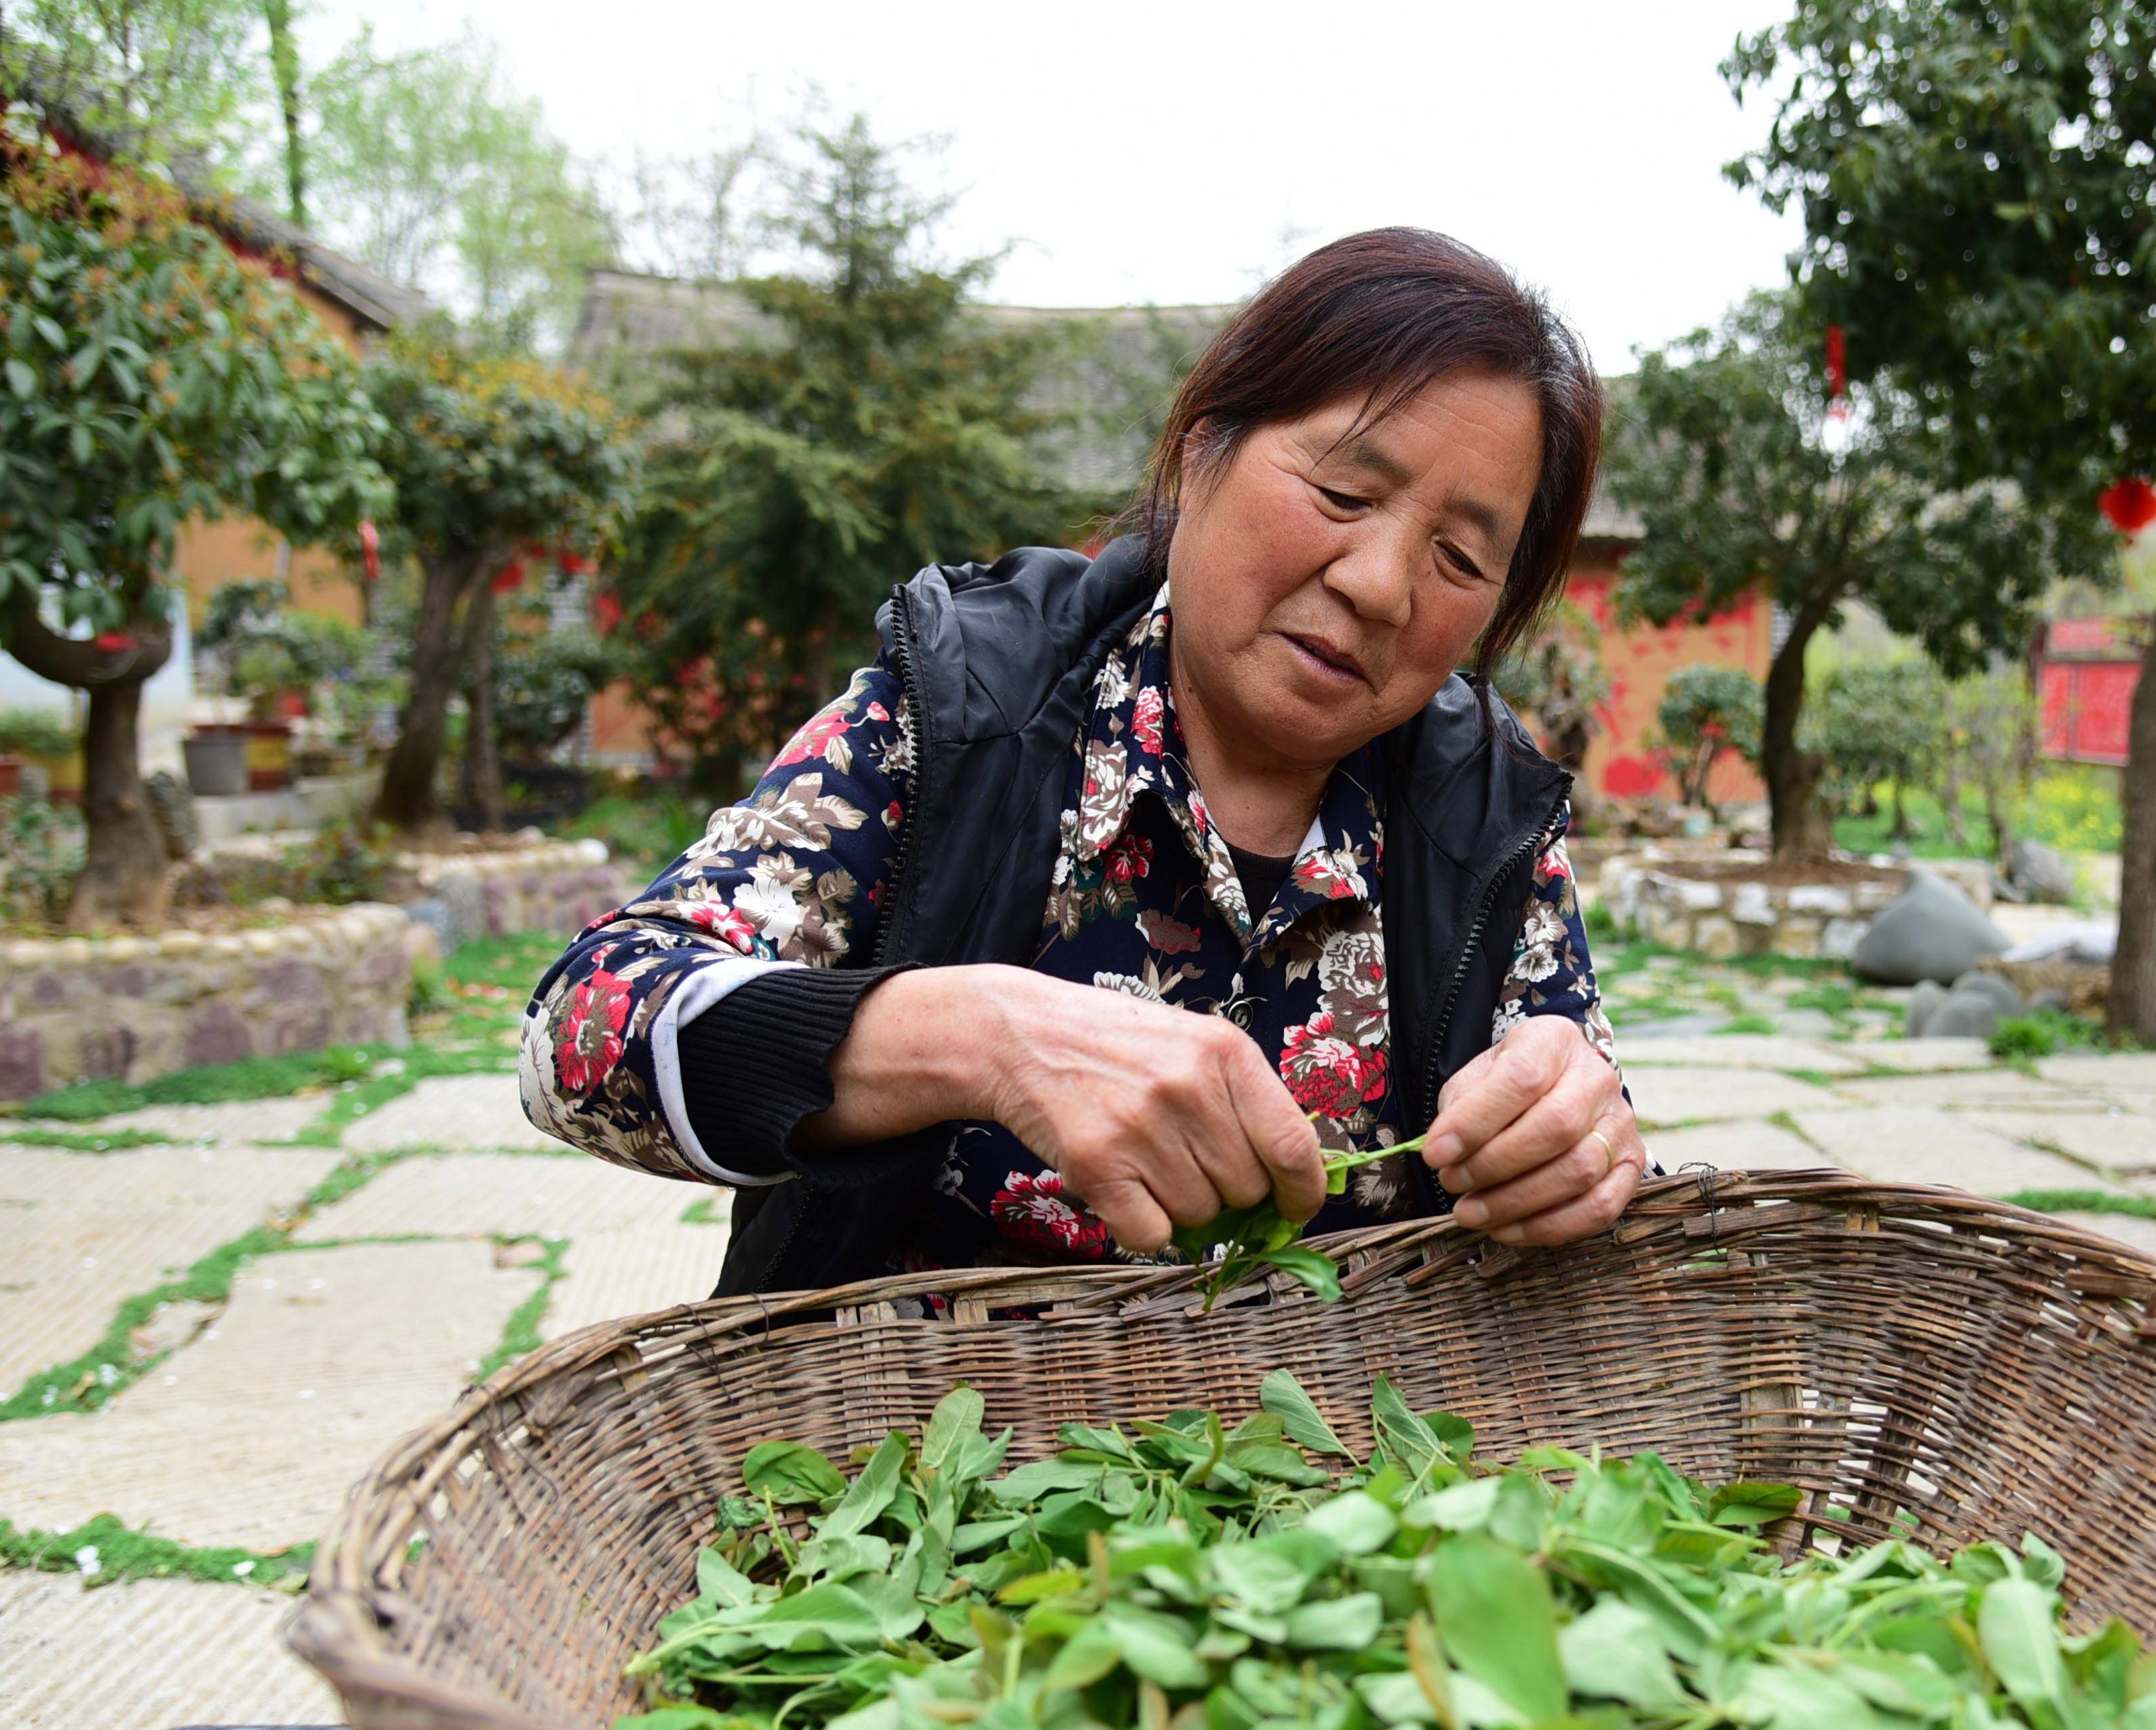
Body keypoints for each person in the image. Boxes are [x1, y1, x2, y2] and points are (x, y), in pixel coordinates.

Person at [523, 227, 1641, 1295]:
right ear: (1202, 453)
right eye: (1344, 494)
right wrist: (979, 1038)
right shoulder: (967, 707)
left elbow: (1578, 1117)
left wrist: (1573, 1134)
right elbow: (577, 1033)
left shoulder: (1486, 813)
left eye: (1458, 556)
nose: (1382, 584)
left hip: (1340, 1471)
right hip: (915, 1454)